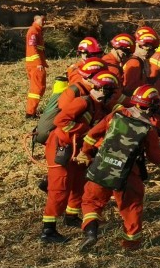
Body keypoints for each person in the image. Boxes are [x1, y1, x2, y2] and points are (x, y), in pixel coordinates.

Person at [76, 85, 160, 252]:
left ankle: (90, 232)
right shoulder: (149, 129)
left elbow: (91, 135)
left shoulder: (115, 115)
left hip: (101, 167)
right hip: (127, 174)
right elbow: (156, 158)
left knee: (91, 201)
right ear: (153, 106)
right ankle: (131, 244)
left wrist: (85, 153)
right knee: (131, 207)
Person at [40, 69, 117, 243]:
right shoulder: (83, 102)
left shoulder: (100, 109)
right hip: (61, 147)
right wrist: (85, 131)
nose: (100, 93)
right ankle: (48, 230)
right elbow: (60, 121)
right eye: (98, 89)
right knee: (60, 188)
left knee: (79, 182)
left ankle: (71, 215)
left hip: (78, 149)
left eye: (104, 91)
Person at [24, 12, 47, 120]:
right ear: (35, 20)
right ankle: (30, 113)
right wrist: (38, 63)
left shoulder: (37, 31)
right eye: (42, 20)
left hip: (35, 64)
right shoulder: (33, 31)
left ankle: (31, 111)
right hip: (36, 65)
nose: (44, 22)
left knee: (37, 88)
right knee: (37, 89)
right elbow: (32, 48)